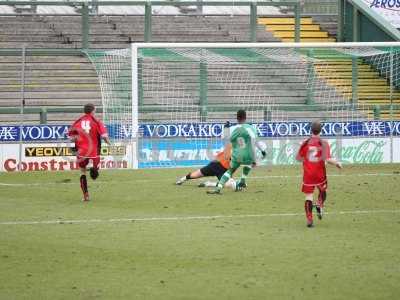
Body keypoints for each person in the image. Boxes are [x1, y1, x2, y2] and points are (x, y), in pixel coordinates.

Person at [207, 109, 266, 194]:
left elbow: (223, 137)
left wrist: (226, 128)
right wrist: (263, 151)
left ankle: (218, 188)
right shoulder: (251, 128)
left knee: (230, 171)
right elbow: (256, 141)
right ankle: (243, 180)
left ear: (237, 118)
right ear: (245, 117)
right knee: (250, 163)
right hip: (249, 155)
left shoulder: (232, 128)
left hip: (236, 155)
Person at [296, 121, 342, 228]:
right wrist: (337, 163)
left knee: (308, 196)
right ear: (321, 131)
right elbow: (328, 159)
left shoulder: (305, 142)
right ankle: (319, 204)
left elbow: (299, 158)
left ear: (310, 130)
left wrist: (303, 151)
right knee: (323, 190)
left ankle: (309, 219)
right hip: (319, 173)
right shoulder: (324, 143)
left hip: (308, 174)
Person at [68, 103, 111, 201]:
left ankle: (86, 195)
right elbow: (104, 136)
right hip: (94, 151)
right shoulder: (96, 121)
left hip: (81, 151)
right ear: (93, 111)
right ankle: (93, 168)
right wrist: (109, 144)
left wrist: (77, 140)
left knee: (82, 172)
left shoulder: (78, 121)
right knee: (95, 170)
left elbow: (71, 138)